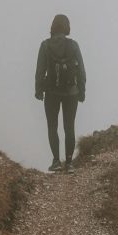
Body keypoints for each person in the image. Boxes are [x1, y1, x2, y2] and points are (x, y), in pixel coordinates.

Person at [34, 14, 86, 174]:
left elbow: (40, 71)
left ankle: (56, 161)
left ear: (53, 27)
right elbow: (81, 71)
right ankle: (69, 163)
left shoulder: (45, 45)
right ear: (67, 27)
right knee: (69, 127)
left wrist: (38, 91)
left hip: (51, 92)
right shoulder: (73, 45)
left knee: (52, 126)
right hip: (71, 92)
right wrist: (81, 91)